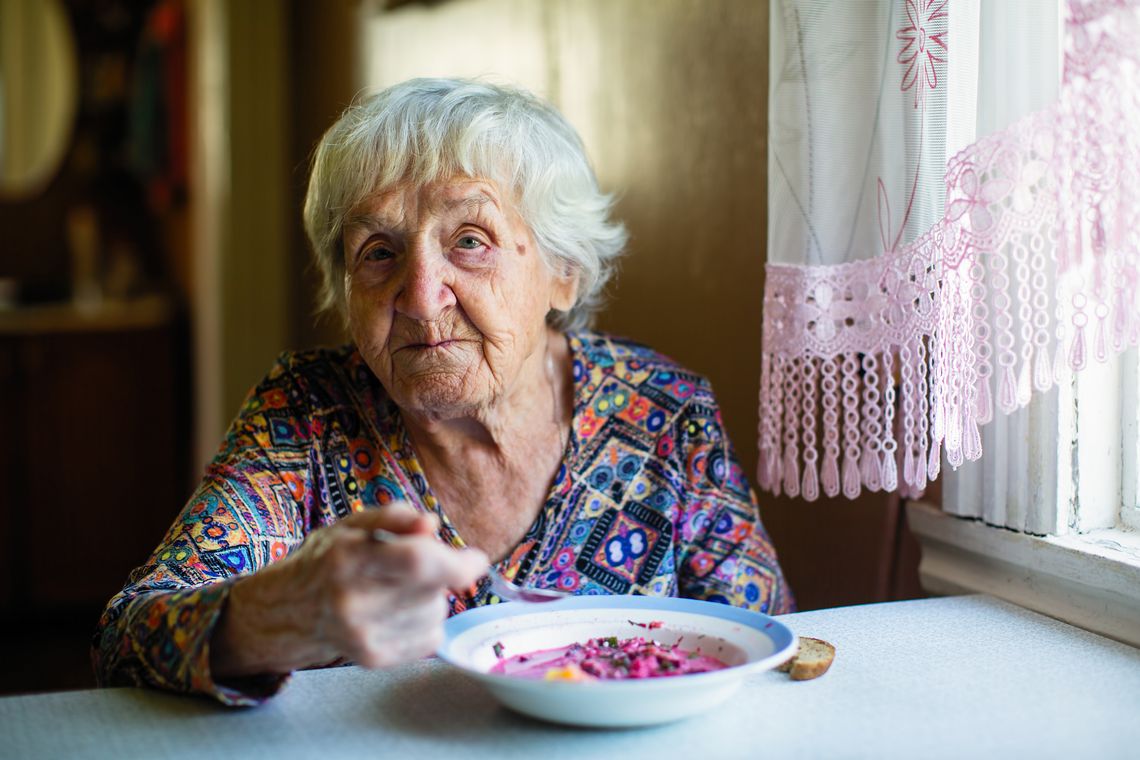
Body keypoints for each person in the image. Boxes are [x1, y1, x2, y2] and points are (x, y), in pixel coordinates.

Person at [92, 78, 793, 705]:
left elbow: (776, 646)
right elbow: (126, 638)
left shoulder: (666, 411)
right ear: (345, 294)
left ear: (563, 271)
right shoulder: (304, 416)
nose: (423, 299)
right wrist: (273, 617)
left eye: (469, 240)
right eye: (379, 252)